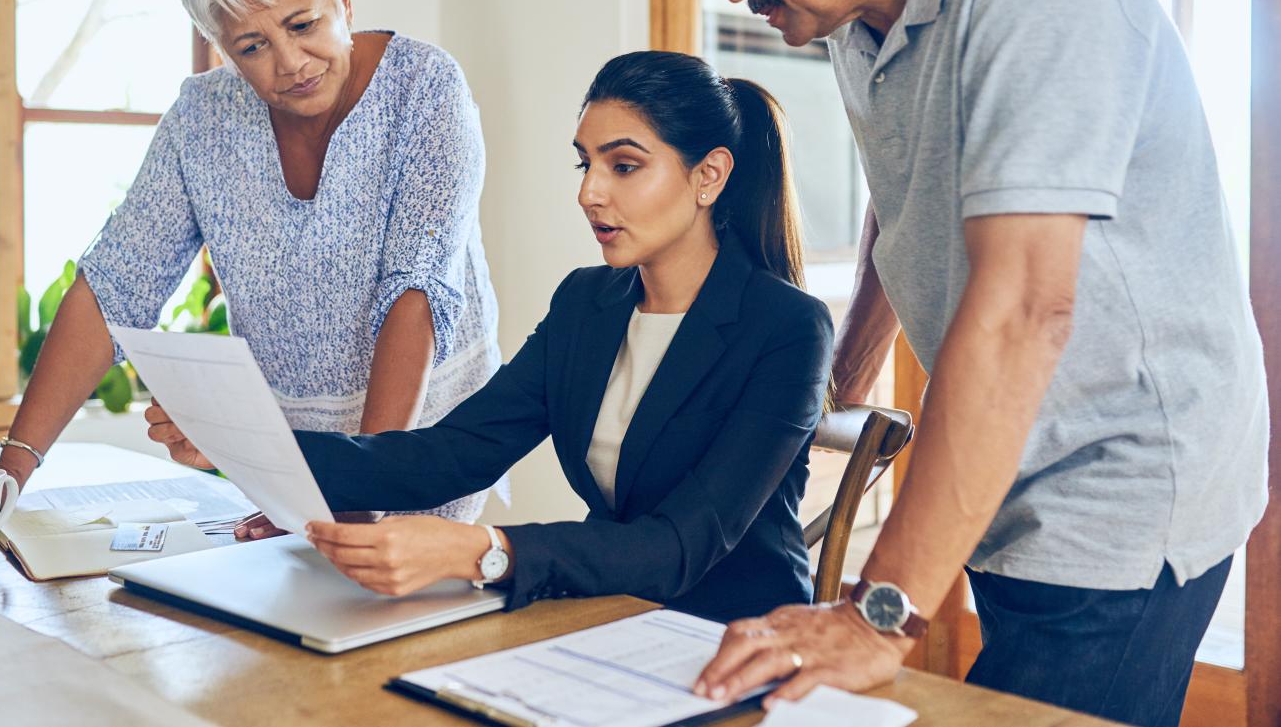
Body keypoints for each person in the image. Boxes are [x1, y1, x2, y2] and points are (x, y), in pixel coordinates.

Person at [658, 0, 1268, 727]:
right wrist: (838, 382)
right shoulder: (860, 16)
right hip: (1016, 458)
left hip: (1125, 471)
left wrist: (882, 611)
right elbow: (900, 206)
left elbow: (1026, 307)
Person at [0, 0, 501, 525]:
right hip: (294, 468)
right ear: (216, 44)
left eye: (303, 24)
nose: (291, 63)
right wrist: (8, 474)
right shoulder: (202, 119)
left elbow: (416, 294)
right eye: (251, 46)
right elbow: (113, 287)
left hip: (425, 445)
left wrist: (356, 498)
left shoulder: (424, 89)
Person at [146, 51, 834, 621]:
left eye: (623, 165)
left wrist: (479, 548)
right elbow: (450, 453)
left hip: (735, 637)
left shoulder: (788, 329)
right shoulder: (585, 303)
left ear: (708, 175)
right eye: (584, 163)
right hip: (606, 615)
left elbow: (680, 544)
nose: (590, 192)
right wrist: (245, 441)